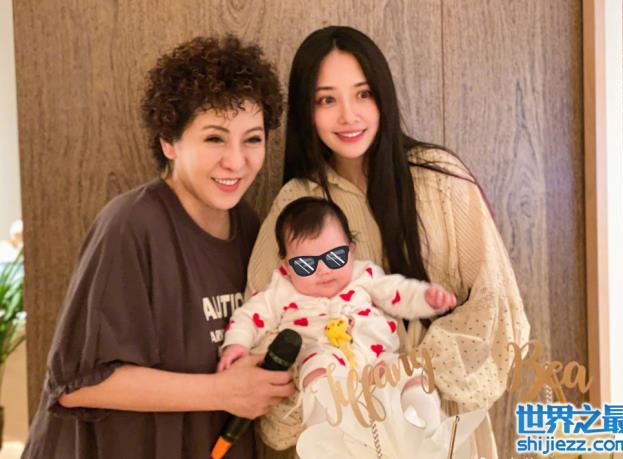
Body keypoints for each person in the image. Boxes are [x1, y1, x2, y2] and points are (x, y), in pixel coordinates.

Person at [246, 26, 531, 458]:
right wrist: (331, 372)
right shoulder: (297, 202)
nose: (348, 116)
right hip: (345, 436)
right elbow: (264, 330)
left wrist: (413, 369)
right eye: (327, 100)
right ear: (307, 111)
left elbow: (497, 306)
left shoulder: (439, 179)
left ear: (383, 95)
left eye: (362, 94)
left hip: (439, 423)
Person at [22, 35, 295, 459]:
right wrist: (223, 392)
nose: (236, 161)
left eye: (253, 139)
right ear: (169, 141)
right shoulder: (130, 225)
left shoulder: (249, 226)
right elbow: (76, 385)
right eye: (215, 138)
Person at [219, 197, 455, 436]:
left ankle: (429, 434)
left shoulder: (364, 275)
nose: (323, 270)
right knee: (316, 375)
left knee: (412, 372)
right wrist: (237, 344)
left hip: (377, 361)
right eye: (305, 265)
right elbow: (250, 316)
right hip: (325, 360)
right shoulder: (281, 290)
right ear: (287, 266)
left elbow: (398, 293)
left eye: (334, 258)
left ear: (351, 252)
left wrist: (426, 298)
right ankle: (330, 439)